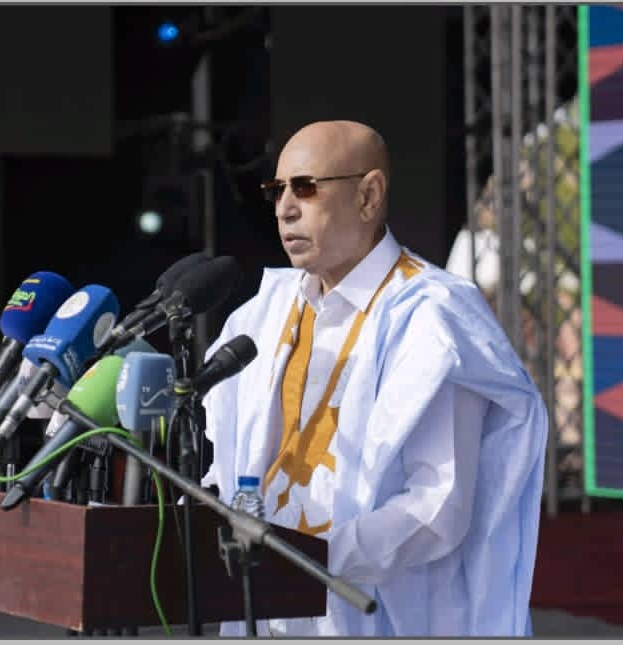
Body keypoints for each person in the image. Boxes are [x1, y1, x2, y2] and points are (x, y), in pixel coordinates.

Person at [200, 120, 548, 637]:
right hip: (263, 609)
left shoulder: (432, 317)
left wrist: (312, 560)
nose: (284, 208)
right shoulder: (264, 313)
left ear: (368, 196)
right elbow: (227, 467)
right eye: (277, 190)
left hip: (375, 617)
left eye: (305, 187)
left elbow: (437, 507)